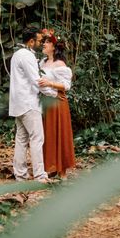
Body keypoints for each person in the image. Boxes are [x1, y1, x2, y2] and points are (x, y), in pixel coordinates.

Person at [9, 27, 48, 182]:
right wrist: (53, 92)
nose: (41, 43)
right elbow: (36, 80)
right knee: (37, 138)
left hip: (18, 104)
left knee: (21, 139)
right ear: (31, 41)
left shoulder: (17, 55)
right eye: (39, 40)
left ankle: (20, 175)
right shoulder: (26, 56)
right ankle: (39, 175)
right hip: (28, 103)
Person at [38, 30, 75, 179]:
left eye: (47, 42)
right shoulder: (42, 62)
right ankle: (51, 166)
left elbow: (66, 85)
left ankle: (62, 171)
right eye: (43, 42)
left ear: (54, 46)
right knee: (48, 135)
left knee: (60, 133)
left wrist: (49, 83)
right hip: (45, 102)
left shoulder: (60, 64)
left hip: (58, 101)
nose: (44, 44)